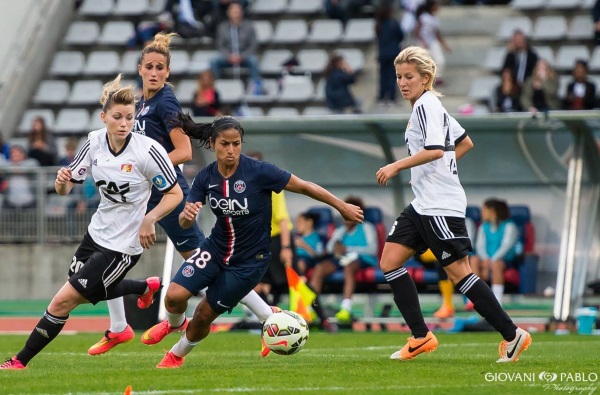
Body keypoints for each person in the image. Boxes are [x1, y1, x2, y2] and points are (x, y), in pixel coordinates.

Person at [89, 32, 273, 356]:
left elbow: (184, 151)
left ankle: (269, 320)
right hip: (142, 195)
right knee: (109, 251)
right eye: (150, 66)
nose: (155, 72)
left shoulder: (166, 101)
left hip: (169, 194)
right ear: (140, 68)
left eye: (161, 67)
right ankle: (120, 327)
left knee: (209, 264)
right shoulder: (141, 104)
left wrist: (145, 167)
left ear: (168, 72)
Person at [140, 114, 363, 368]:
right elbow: (184, 222)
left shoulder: (259, 171)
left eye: (236, 144)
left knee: (203, 314)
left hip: (249, 262)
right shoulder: (205, 176)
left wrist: (340, 205)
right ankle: (175, 323)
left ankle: (175, 355)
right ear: (213, 144)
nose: (231, 150)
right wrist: (186, 217)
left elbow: (303, 186)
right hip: (215, 249)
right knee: (174, 296)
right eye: (225, 144)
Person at [0, 74, 181, 370]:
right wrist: (61, 182)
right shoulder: (94, 141)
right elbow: (66, 185)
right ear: (104, 117)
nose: (124, 123)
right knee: (85, 292)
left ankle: (19, 361)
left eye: (129, 117)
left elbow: (174, 194)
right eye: (117, 117)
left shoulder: (147, 151)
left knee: (63, 300)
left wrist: (150, 218)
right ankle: (144, 286)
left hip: (123, 246)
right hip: (94, 235)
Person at [375, 46, 531, 362]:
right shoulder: (431, 107)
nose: (403, 82)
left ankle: (513, 335)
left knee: (460, 275)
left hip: (440, 206)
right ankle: (421, 337)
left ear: (425, 78)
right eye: (399, 77)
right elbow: (464, 143)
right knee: (390, 261)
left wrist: (396, 165)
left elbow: (434, 150)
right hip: (423, 204)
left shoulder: (426, 106)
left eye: (409, 77)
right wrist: (435, 171)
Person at [309, 196, 378, 323]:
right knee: (320, 268)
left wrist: (347, 248)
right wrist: (336, 246)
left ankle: (346, 308)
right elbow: (330, 248)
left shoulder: (367, 227)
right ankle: (311, 309)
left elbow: (372, 249)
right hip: (342, 259)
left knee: (349, 267)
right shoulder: (340, 230)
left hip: (362, 259)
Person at [246, 150, 294, 307]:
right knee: (257, 283)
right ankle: (270, 318)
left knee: (295, 280)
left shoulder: (272, 186)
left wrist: (286, 247)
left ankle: (323, 319)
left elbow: (283, 219)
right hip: (260, 241)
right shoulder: (244, 189)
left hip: (279, 239)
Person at [470, 198, 521, 307]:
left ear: (492, 211)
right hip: (486, 260)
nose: (481, 212)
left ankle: (497, 303)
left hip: (503, 261)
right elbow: (480, 246)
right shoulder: (484, 227)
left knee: (496, 265)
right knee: (474, 259)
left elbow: (506, 246)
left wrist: (492, 261)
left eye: (484, 209)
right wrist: (486, 259)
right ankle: (476, 298)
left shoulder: (509, 226)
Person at [209, 2, 261, 93]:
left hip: (244, 57)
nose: (235, 13)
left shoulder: (249, 26)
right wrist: (229, 56)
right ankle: (217, 89)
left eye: (237, 11)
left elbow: (253, 46)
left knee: (254, 61)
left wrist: (242, 56)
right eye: (233, 11)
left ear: (241, 12)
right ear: (228, 12)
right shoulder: (222, 27)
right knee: (214, 61)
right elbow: (220, 46)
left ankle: (256, 89)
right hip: (228, 57)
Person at [414, 0, 450, 86]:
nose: (437, 7)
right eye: (436, 5)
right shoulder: (423, 17)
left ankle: (438, 78)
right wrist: (422, 41)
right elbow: (416, 31)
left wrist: (444, 44)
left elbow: (437, 33)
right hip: (423, 42)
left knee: (440, 61)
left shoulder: (435, 18)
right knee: (424, 62)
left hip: (433, 41)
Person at [375, 1, 404, 106]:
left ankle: (382, 96)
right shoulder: (393, 23)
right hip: (393, 53)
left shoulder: (379, 25)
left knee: (383, 76)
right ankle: (391, 97)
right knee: (392, 76)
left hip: (383, 53)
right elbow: (401, 36)